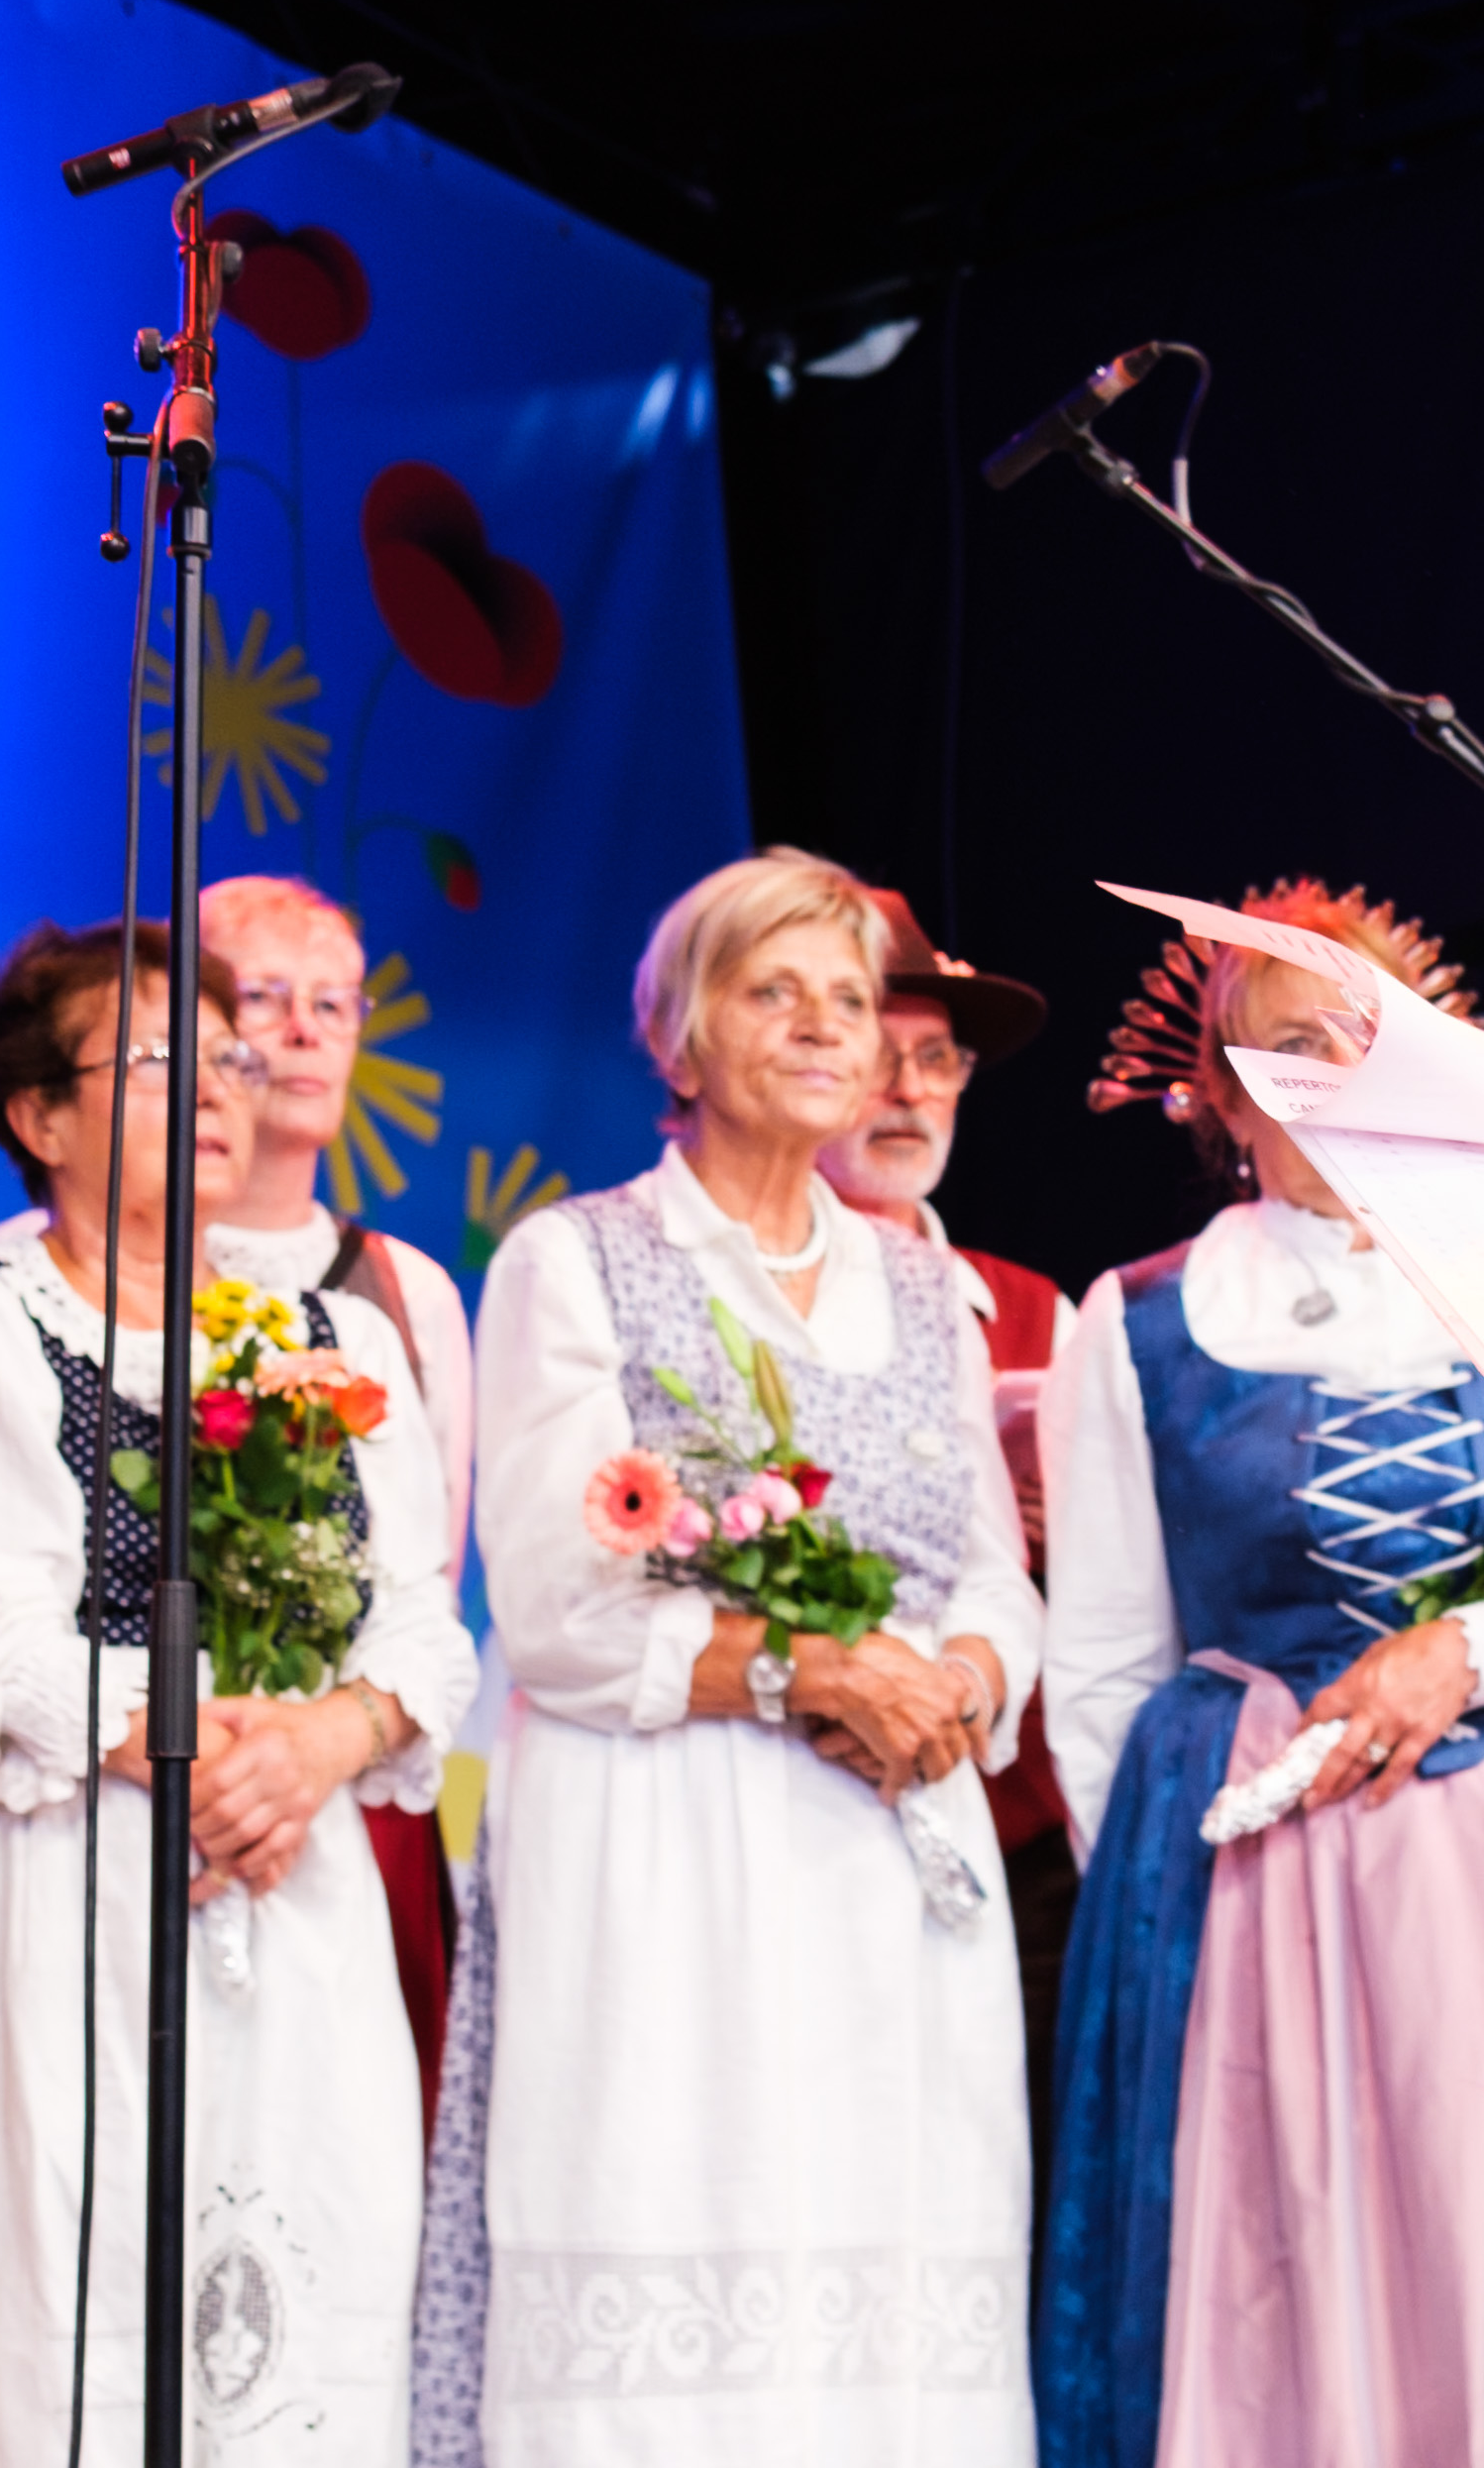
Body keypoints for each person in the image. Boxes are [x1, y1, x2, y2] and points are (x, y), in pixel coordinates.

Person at [1037, 879, 1484, 2468]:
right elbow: (1105, 1657)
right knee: (1271, 2257)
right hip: (1251, 1865)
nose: (1328, 1061)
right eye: (1283, 1040)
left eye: (1361, 1030)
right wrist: (1153, 1914)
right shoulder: (1136, 1322)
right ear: (1220, 1090)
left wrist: (1469, 1648)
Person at [423, 847, 1040, 2467]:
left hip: (890, 1853)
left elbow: (994, 1576)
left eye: (851, 1001)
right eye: (778, 993)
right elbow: (556, 1604)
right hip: (670, 1849)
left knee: (884, 2308)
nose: (831, 1030)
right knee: (678, 2241)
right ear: (683, 1039)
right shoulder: (578, 1259)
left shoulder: (925, 1284)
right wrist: (807, 1669)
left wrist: (958, 1684)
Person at [0, 919, 472, 2468]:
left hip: (288, 1880)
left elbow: (423, 1632)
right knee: (54, 2302)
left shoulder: (339, 1339)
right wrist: (194, 1750)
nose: (207, 1088)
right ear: (35, 1117)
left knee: (289, 2317)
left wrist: (322, 1738)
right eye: (148, 1059)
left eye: (224, 1057)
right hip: (55, 1874)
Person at [812, 886, 1086, 2169]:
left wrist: (1050, 1527)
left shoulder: (1033, 1309)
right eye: (877, 1056)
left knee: (994, 2163)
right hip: (799, 1800)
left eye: (938, 1062)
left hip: (1009, 1829)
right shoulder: (719, 1297)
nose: (909, 1094)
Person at [197, 873, 477, 2120]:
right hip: (165, 1776)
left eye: (335, 1003)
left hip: (351, 1791)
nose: (306, 1032)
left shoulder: (406, 1291)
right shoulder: (73, 1270)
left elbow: (433, 1566)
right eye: (264, 998)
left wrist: (325, 1744)